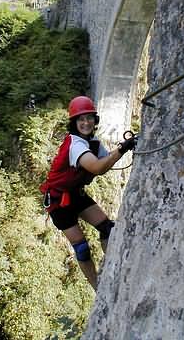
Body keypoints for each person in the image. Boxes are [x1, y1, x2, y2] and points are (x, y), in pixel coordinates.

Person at [39, 96, 136, 290]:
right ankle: (97, 287)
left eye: (89, 118)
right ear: (74, 123)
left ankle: (111, 268)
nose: (85, 123)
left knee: (108, 228)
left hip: (75, 194)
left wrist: (126, 147)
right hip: (59, 201)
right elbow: (98, 167)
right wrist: (123, 148)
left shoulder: (92, 142)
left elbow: (106, 159)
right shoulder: (75, 145)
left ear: (95, 120)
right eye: (80, 119)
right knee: (82, 248)